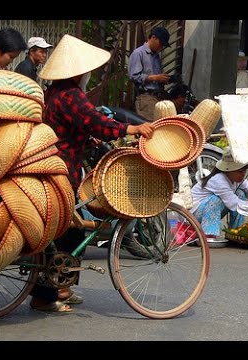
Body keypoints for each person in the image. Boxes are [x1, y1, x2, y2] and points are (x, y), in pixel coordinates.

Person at [30, 34, 156, 313]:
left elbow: (71, 128)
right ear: (78, 72)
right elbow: (94, 121)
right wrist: (130, 129)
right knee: (68, 232)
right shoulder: (71, 95)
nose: (88, 75)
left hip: (57, 165)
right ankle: (45, 294)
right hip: (62, 170)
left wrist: (89, 140)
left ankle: (60, 287)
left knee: (68, 231)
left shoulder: (55, 92)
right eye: (86, 71)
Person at [190, 147, 248, 243]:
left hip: (207, 212)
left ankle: (235, 232)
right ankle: (208, 236)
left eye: (244, 171)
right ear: (228, 170)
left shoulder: (238, 180)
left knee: (240, 193)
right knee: (216, 200)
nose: (242, 174)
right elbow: (235, 204)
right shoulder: (218, 180)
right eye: (239, 171)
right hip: (193, 217)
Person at [128, 27, 171, 122]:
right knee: (150, 128)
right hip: (145, 98)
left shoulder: (156, 56)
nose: (161, 47)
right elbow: (133, 76)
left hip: (157, 97)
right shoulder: (139, 53)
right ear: (153, 38)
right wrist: (155, 78)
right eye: (161, 43)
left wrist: (163, 79)